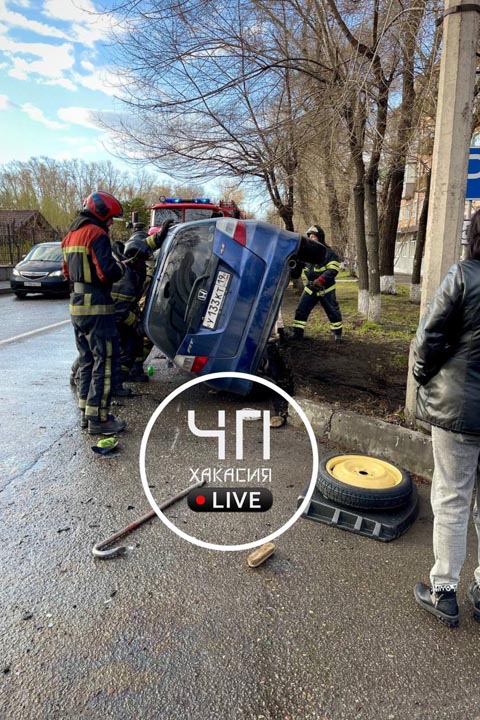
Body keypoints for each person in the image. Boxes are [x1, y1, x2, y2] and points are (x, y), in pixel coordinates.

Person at [413, 208, 480, 628]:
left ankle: (444, 593)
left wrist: (425, 378)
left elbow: (429, 339)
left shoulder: (464, 275)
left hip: (459, 408)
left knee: (453, 498)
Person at [62, 191, 127, 435]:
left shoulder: (70, 236)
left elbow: (66, 272)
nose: (110, 223)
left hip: (76, 306)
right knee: (106, 360)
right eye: (110, 218)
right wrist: (121, 266)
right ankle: (100, 419)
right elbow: (107, 272)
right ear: (100, 214)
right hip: (98, 306)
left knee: (87, 359)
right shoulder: (96, 234)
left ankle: (85, 413)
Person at [291, 224, 343, 342]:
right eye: (310, 237)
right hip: (310, 288)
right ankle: (297, 334)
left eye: (314, 237)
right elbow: (298, 270)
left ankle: (337, 334)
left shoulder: (329, 253)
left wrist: (321, 280)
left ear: (320, 238)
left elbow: (333, 270)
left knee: (333, 311)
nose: (311, 239)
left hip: (326, 288)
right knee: (301, 310)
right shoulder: (305, 255)